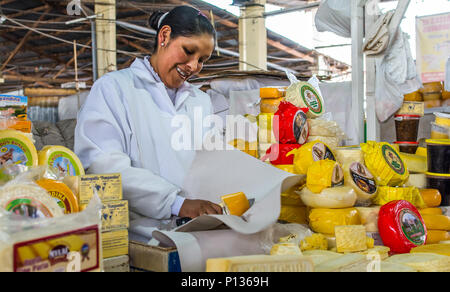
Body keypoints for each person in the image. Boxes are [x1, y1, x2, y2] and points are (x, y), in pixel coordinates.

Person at [74, 6, 223, 231]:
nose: (194, 66)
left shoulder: (200, 101)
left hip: (198, 231)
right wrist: (177, 203)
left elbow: (213, 164)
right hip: (142, 238)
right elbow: (103, 168)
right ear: (164, 36)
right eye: (188, 51)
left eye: (202, 59)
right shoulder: (115, 89)